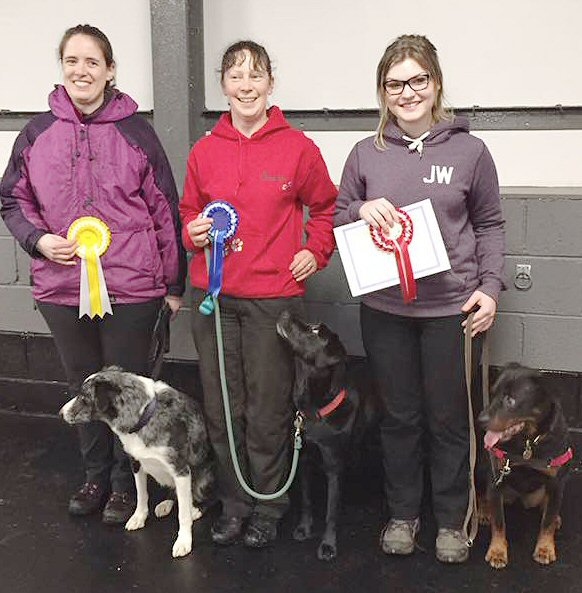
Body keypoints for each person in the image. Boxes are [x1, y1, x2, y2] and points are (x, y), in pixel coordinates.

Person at [0, 24, 186, 525]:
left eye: (92, 62)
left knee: (127, 394)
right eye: (72, 61)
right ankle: (95, 477)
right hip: (61, 288)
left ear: (109, 71)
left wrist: (173, 285)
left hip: (132, 288)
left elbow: (165, 209)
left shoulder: (136, 133)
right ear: (63, 68)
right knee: (82, 387)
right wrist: (37, 239)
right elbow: (12, 199)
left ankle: (129, 486)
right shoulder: (36, 135)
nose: (81, 71)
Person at [334, 34, 504, 563]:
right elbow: (338, 216)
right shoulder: (366, 153)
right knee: (399, 417)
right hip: (384, 312)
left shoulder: (470, 151)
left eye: (417, 81)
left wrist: (490, 288)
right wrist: (361, 211)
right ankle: (403, 514)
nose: (406, 92)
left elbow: (491, 224)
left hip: (451, 312)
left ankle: (452, 520)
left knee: (448, 419)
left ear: (435, 84)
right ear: (382, 93)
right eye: (394, 84)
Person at [180, 40, 337, 548]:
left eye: (256, 76)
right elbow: (187, 214)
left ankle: (269, 504)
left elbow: (328, 210)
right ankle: (234, 502)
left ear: (271, 83)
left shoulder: (298, 149)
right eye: (235, 76)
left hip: (273, 300)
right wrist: (194, 234)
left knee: (268, 409)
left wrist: (314, 251)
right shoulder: (205, 151)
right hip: (214, 299)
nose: (245, 85)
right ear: (223, 85)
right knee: (223, 406)